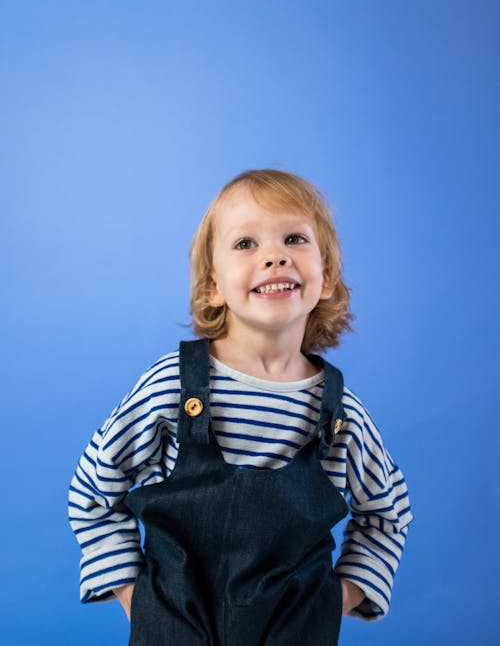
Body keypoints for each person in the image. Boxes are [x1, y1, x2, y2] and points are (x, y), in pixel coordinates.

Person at [68, 168, 413, 645]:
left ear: (327, 276)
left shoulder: (340, 415)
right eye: (246, 244)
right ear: (214, 286)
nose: (274, 256)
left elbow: (387, 516)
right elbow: (92, 494)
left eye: (294, 238)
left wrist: (333, 602)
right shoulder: (172, 385)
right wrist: (138, 602)